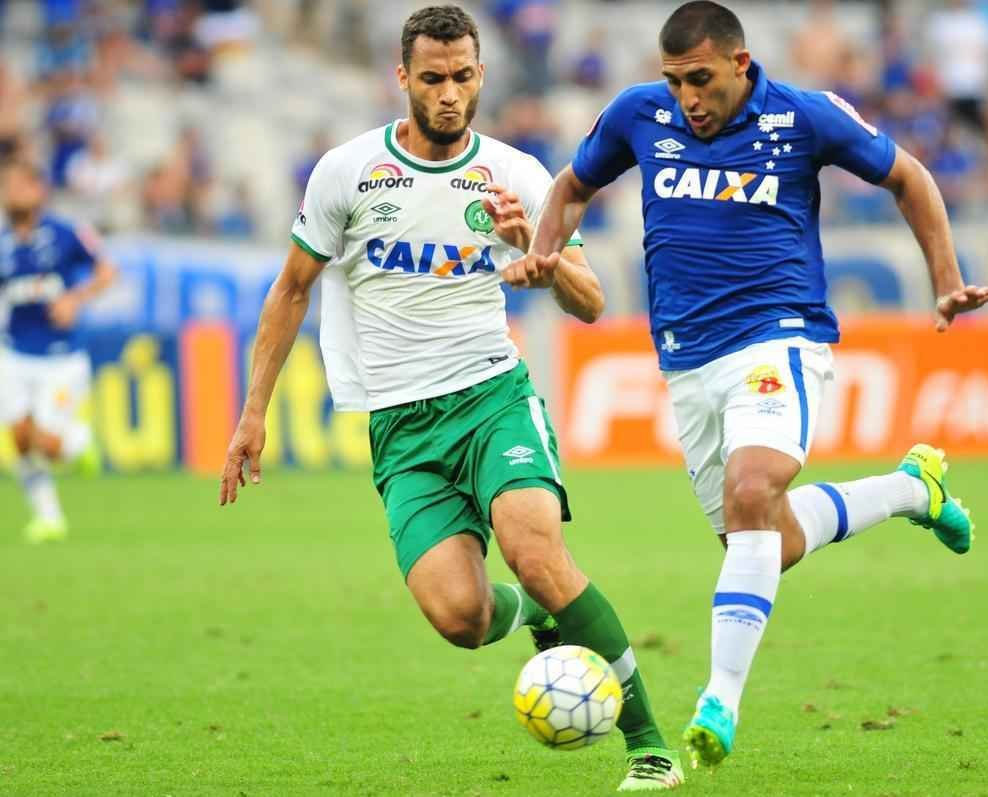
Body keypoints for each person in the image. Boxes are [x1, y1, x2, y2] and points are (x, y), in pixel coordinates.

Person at [508, 0, 988, 769]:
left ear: (740, 64)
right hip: (686, 359)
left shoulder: (804, 118)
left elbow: (908, 177)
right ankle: (915, 490)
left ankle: (720, 700)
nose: (688, 99)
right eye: (675, 82)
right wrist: (545, 251)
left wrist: (947, 279)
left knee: (751, 491)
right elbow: (572, 184)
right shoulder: (638, 114)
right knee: (762, 539)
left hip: (780, 338)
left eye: (701, 80)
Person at [217, 6, 683, 791]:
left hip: (492, 397)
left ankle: (650, 745)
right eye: (431, 78)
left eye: (462, 77)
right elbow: (291, 289)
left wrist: (535, 256)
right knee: (459, 618)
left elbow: (592, 299)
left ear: (481, 76)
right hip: (401, 426)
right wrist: (252, 412)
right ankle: (537, 614)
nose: (447, 93)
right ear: (402, 78)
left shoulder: (519, 176)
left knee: (536, 553)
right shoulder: (348, 172)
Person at [1, 159, 117, 541]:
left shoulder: (65, 233)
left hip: (60, 357)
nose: (10, 193)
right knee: (19, 439)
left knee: (47, 444)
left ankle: (79, 442)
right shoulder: (3, 241)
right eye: (6, 186)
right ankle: (49, 517)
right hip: (14, 353)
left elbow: (107, 271)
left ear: (38, 190)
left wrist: (74, 299)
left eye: (18, 185)